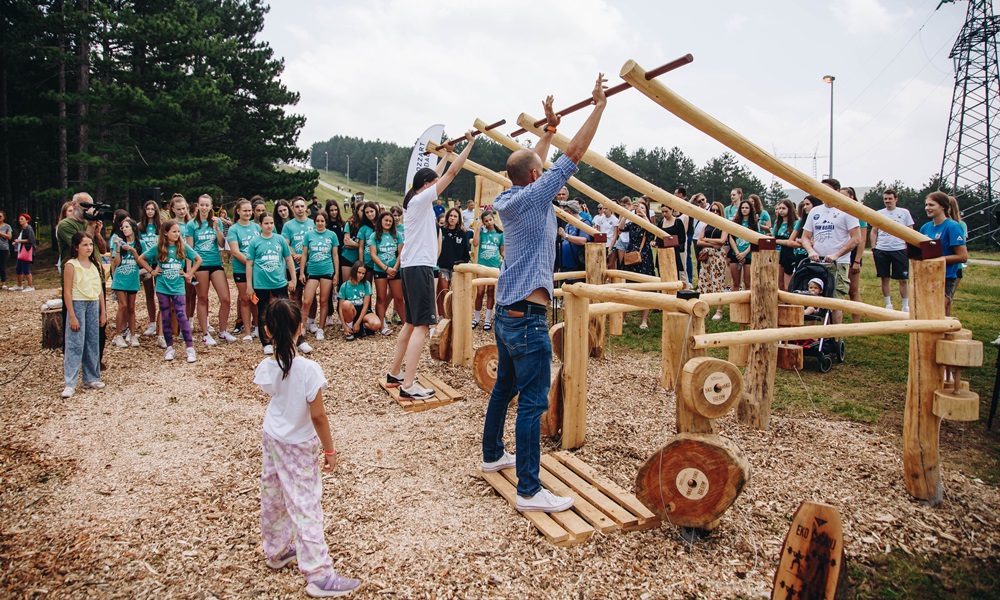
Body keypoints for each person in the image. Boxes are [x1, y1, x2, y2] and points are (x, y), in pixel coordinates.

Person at [482, 75, 607, 514]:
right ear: (535, 177)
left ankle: (493, 455)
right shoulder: (534, 197)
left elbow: (536, 163)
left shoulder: (516, 197)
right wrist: (599, 107)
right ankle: (530, 490)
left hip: (505, 310)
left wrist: (548, 129)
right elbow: (573, 157)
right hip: (528, 318)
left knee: (504, 389)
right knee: (533, 402)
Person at [254, 298, 361, 598]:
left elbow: (273, 391)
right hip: (298, 443)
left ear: (267, 330)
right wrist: (330, 450)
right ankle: (318, 574)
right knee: (306, 504)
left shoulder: (267, 366)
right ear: (301, 328)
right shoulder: (309, 369)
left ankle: (275, 550)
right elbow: (318, 416)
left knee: (273, 493)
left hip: (273, 436)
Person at [387, 132, 477, 400]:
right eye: (433, 184)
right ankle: (409, 384)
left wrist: (445, 154)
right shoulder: (421, 199)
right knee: (422, 326)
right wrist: (469, 144)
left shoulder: (414, 198)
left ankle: (395, 374)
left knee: (410, 323)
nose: (437, 188)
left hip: (412, 267)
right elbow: (451, 175)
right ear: (426, 185)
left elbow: (436, 175)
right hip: (420, 268)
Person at [135, 220, 200, 362]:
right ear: (166, 232)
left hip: (178, 286)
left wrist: (189, 274)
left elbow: (198, 259)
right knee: (165, 316)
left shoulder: (182, 247)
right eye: (174, 231)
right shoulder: (158, 248)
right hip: (162, 286)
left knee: (182, 315)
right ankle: (169, 347)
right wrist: (152, 271)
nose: (177, 234)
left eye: (178, 232)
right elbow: (141, 258)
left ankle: (190, 348)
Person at [57, 193, 110, 360]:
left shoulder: (90, 224)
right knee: (74, 324)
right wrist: (90, 226)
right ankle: (72, 360)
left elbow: (102, 249)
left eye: (90, 205)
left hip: (95, 276)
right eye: (84, 205)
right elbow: (80, 245)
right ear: (74, 204)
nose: (88, 209)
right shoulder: (65, 225)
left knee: (99, 324)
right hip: (76, 280)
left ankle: (95, 360)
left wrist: (97, 230)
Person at [801, 187, 861, 325]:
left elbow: (856, 238)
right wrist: (811, 251)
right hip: (817, 262)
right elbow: (805, 237)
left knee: (835, 300)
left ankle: (834, 338)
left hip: (838, 263)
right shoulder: (815, 211)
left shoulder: (847, 210)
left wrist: (837, 254)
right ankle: (811, 336)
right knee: (813, 298)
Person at [61, 232, 107, 398]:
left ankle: (91, 377)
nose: (88, 248)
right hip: (78, 303)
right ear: (76, 247)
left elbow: (99, 289)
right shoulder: (71, 265)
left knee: (92, 341)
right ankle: (70, 382)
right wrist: (72, 315)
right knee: (75, 343)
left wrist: (103, 311)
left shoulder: (93, 265)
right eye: (84, 245)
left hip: (93, 303)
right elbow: (67, 292)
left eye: (90, 245)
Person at [187, 194, 235, 344]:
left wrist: (217, 229)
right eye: (202, 204)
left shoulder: (216, 222)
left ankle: (223, 331)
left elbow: (221, 244)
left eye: (207, 205)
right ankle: (205, 333)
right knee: (202, 298)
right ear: (198, 205)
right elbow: (189, 248)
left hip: (215, 262)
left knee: (226, 298)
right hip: (200, 264)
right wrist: (190, 270)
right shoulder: (192, 225)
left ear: (211, 206)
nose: (204, 207)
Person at [246, 214, 296, 355]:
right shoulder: (255, 242)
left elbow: (288, 259)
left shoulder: (279, 239)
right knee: (263, 311)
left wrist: (293, 279)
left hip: (279, 281)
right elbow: (249, 264)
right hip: (261, 283)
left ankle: (290, 338)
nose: (269, 226)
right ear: (260, 224)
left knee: (286, 309)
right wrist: (249, 286)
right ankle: (266, 341)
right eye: (266, 223)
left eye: (271, 223)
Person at [919, 191, 967, 316]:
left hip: (945, 277)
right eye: (926, 205)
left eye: (931, 205)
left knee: (938, 310)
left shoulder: (952, 226)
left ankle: (946, 334)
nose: (927, 208)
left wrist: (937, 259)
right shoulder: (925, 228)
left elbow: (962, 256)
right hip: (927, 276)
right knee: (926, 312)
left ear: (943, 207)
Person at [869, 188, 914, 312]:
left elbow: (910, 230)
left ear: (896, 199)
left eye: (890, 199)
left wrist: (908, 246)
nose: (887, 201)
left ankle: (905, 306)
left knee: (903, 279)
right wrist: (874, 248)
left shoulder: (904, 212)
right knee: (885, 278)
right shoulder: (879, 213)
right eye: (885, 199)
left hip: (899, 249)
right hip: (882, 249)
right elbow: (873, 231)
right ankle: (888, 304)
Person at [282, 197, 316, 354]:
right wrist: (296, 255)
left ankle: (311, 321)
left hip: (310, 264)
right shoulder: (288, 225)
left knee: (311, 296)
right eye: (297, 206)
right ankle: (297, 324)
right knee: (295, 295)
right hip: (294, 264)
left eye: (302, 206)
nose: (300, 209)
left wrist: (306, 258)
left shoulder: (312, 223)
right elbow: (286, 244)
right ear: (292, 208)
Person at [299, 211, 340, 341]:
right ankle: (302, 327)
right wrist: (301, 272)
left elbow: (335, 255)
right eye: (318, 221)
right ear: (314, 222)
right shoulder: (309, 235)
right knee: (307, 301)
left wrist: (336, 274)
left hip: (327, 270)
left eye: (322, 221)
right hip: (312, 270)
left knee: (324, 301)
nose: (320, 223)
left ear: (325, 222)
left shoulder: (332, 235)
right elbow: (304, 254)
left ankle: (321, 328)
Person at [227, 199, 263, 341]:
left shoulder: (256, 228)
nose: (248, 213)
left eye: (249, 210)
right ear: (238, 211)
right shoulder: (234, 229)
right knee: (245, 299)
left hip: (257, 269)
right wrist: (250, 263)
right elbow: (235, 251)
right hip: (241, 268)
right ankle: (247, 332)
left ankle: (258, 327)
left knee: (257, 299)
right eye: (245, 210)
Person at [368, 211, 403, 335]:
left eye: (390, 221)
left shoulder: (397, 235)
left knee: (399, 298)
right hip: (380, 270)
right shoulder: (374, 236)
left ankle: (406, 325)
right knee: (381, 298)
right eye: (385, 220)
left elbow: (400, 253)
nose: (388, 222)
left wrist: (394, 268)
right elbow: (373, 254)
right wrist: (385, 268)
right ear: (381, 221)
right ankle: (382, 325)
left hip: (395, 270)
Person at [110, 218, 143, 348]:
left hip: (132, 279)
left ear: (133, 228)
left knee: (131, 307)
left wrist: (133, 251)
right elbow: (116, 263)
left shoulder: (140, 244)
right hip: (120, 279)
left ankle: (133, 335)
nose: (124, 229)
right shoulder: (119, 243)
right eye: (122, 227)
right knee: (122, 306)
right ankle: (118, 335)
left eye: (127, 227)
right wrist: (118, 248)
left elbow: (141, 262)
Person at [697, 202, 729, 321]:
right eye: (713, 210)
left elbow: (722, 241)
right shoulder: (706, 225)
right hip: (707, 256)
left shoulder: (724, 225)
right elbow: (699, 241)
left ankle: (719, 310)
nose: (715, 212)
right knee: (706, 281)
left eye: (717, 210)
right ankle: (707, 308)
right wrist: (711, 243)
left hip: (718, 256)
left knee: (718, 281)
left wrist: (707, 239)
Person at [472, 211, 503, 330]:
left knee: (490, 292)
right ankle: (476, 318)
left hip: (494, 266)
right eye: (486, 221)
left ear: (493, 219)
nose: (489, 222)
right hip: (482, 266)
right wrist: (478, 230)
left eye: (490, 220)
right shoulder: (483, 233)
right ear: (483, 222)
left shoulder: (500, 234)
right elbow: (475, 244)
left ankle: (487, 320)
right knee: (480, 292)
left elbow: (502, 251)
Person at [841, 186, 868, 323]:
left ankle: (856, 322)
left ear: (851, 197)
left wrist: (857, 260)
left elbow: (861, 239)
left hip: (852, 255)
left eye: (843, 195)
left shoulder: (858, 213)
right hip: (839, 253)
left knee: (853, 290)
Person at [437, 207, 471, 315]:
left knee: (455, 294)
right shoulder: (440, 231)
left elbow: (466, 253)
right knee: (444, 292)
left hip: (456, 268)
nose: (452, 218)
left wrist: (463, 265)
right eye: (450, 215)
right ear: (447, 217)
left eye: (455, 216)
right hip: (442, 267)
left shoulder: (462, 233)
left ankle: (454, 316)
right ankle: (443, 316)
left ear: (458, 219)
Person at [337, 261, 381, 341]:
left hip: (363, 311)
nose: (361, 275)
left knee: (376, 324)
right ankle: (349, 329)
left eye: (363, 273)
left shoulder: (366, 284)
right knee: (346, 303)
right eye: (359, 272)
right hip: (351, 311)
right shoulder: (345, 285)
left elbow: (365, 305)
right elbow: (340, 308)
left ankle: (360, 326)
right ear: (354, 271)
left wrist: (358, 322)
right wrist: (344, 326)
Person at [138, 200, 162, 341]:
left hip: (158, 263)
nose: (150, 211)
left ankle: (161, 322)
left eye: (153, 209)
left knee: (160, 293)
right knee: (149, 293)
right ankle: (152, 322)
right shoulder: (140, 227)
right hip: (146, 262)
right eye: (147, 209)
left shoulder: (160, 227)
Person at [728, 200, 759, 292]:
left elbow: (755, 240)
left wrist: (744, 253)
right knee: (736, 283)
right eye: (742, 208)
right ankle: (735, 305)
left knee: (748, 282)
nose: (744, 210)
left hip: (748, 255)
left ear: (751, 209)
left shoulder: (754, 223)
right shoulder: (735, 222)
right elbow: (731, 237)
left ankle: (749, 305)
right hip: (735, 254)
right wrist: (738, 253)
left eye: (747, 208)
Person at [556, 201, 590, 280]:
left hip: (576, 265)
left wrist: (566, 236)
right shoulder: (568, 225)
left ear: (569, 211)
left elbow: (583, 240)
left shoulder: (584, 223)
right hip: (565, 264)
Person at [773, 199, 799, 292]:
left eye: (783, 208)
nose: (781, 211)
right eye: (779, 208)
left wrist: (778, 241)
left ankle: (788, 304)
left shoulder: (795, 223)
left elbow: (793, 241)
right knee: (780, 284)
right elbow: (773, 238)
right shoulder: (777, 223)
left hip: (791, 255)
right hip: (779, 254)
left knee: (787, 286)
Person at [12, 213, 35, 292]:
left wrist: (19, 241)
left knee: (26, 269)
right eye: (19, 219)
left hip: (26, 251)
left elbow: (31, 240)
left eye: (22, 219)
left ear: (27, 220)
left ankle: (30, 285)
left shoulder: (29, 228)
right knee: (18, 268)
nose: (20, 220)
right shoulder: (23, 229)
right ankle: (19, 285)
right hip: (20, 251)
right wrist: (16, 242)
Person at [0, 211, 11, 289]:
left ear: (3, 217)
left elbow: (9, 237)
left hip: (3, 249)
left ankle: (3, 283)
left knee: (2, 266)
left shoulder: (7, 226)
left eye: (0, 216)